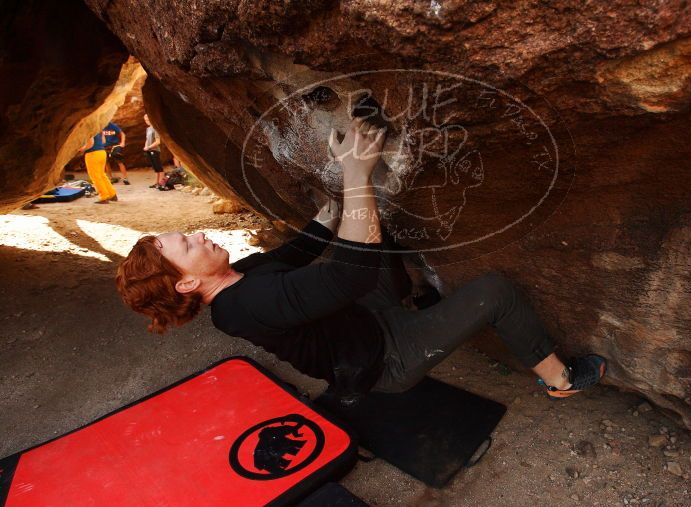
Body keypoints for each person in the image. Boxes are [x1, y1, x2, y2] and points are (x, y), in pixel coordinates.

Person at [116, 117, 606, 400]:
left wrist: (328, 212)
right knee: (494, 291)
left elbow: (293, 253)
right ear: (186, 284)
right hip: (386, 358)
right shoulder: (249, 304)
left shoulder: (235, 279)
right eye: (188, 245)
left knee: (374, 230)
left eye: (189, 234)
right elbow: (351, 274)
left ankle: (417, 301)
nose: (199, 235)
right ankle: (560, 381)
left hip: (363, 318)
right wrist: (356, 175)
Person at [79, 131, 117, 204]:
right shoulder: (98, 129)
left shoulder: (89, 129)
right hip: (102, 152)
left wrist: (83, 149)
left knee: (95, 176)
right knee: (102, 175)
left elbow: (91, 143)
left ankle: (104, 196)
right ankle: (112, 194)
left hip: (92, 154)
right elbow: (103, 141)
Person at [143, 114, 165, 189]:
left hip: (155, 150)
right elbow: (147, 139)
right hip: (149, 150)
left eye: (148, 120)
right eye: (145, 120)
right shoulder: (148, 129)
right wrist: (145, 146)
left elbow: (158, 142)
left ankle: (161, 183)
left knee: (159, 167)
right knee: (155, 168)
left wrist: (149, 147)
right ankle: (156, 183)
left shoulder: (155, 128)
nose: (147, 121)